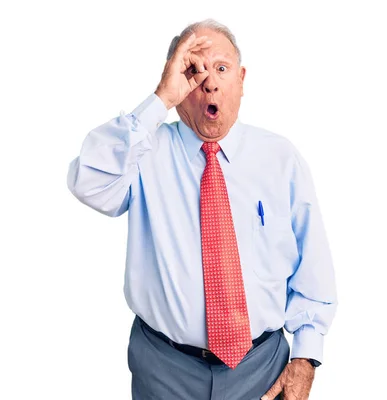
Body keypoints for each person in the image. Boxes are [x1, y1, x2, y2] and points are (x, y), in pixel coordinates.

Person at [67, 19, 337, 400]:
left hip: (260, 368)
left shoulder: (280, 159)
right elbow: (87, 182)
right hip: (164, 368)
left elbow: (313, 269)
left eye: (222, 69)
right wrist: (161, 99)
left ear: (241, 80)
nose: (209, 82)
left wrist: (306, 357)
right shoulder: (146, 152)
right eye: (194, 71)